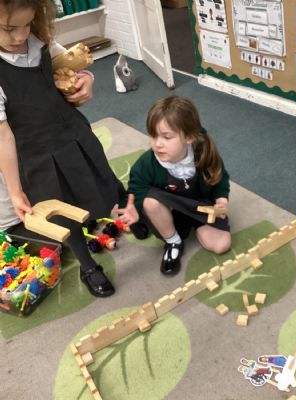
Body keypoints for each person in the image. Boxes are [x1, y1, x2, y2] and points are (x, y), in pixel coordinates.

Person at [0, 0, 125, 297]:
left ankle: (130, 211)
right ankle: (88, 266)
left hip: (72, 134)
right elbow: (3, 137)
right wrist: (15, 191)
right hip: (36, 155)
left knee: (100, 178)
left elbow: (68, 67)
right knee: (62, 213)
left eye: (27, 24)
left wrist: (86, 81)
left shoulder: (39, 41)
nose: (21, 36)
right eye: (9, 28)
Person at [117, 95, 231, 275]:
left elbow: (220, 177)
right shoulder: (146, 164)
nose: (157, 144)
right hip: (168, 210)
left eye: (166, 137)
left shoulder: (204, 152)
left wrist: (221, 200)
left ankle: (196, 227)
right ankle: (173, 242)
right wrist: (134, 210)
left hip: (199, 206)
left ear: (189, 137)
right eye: (153, 136)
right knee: (150, 203)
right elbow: (135, 192)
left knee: (221, 245)